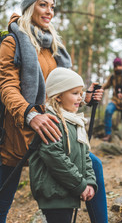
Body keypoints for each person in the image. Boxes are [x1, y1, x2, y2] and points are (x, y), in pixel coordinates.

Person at [0, 0, 108, 222]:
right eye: (43, 5)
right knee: (3, 198)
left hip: (52, 131)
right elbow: (7, 87)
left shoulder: (53, 48)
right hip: (20, 133)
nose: (49, 11)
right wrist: (31, 115)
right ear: (30, 7)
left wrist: (85, 97)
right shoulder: (12, 42)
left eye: (52, 7)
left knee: (94, 167)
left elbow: (60, 88)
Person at [29, 67, 97, 223]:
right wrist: (80, 185)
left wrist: (90, 183)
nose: (80, 98)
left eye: (81, 93)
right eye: (75, 93)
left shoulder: (75, 122)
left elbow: (85, 155)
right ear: (58, 96)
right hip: (54, 195)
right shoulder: (51, 121)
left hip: (68, 192)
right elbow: (55, 158)